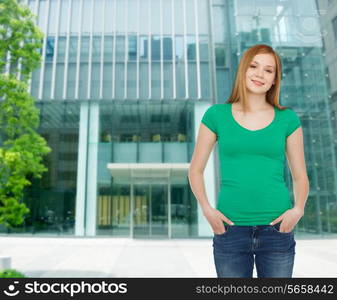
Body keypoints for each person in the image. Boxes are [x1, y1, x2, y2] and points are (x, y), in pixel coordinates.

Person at [188, 44, 310, 278]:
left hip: (277, 229)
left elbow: (300, 175)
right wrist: (207, 209)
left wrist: (298, 209)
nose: (259, 74)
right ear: (243, 70)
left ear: (275, 79)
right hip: (230, 229)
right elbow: (195, 170)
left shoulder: (287, 118)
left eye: (268, 70)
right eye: (254, 66)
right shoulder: (216, 115)